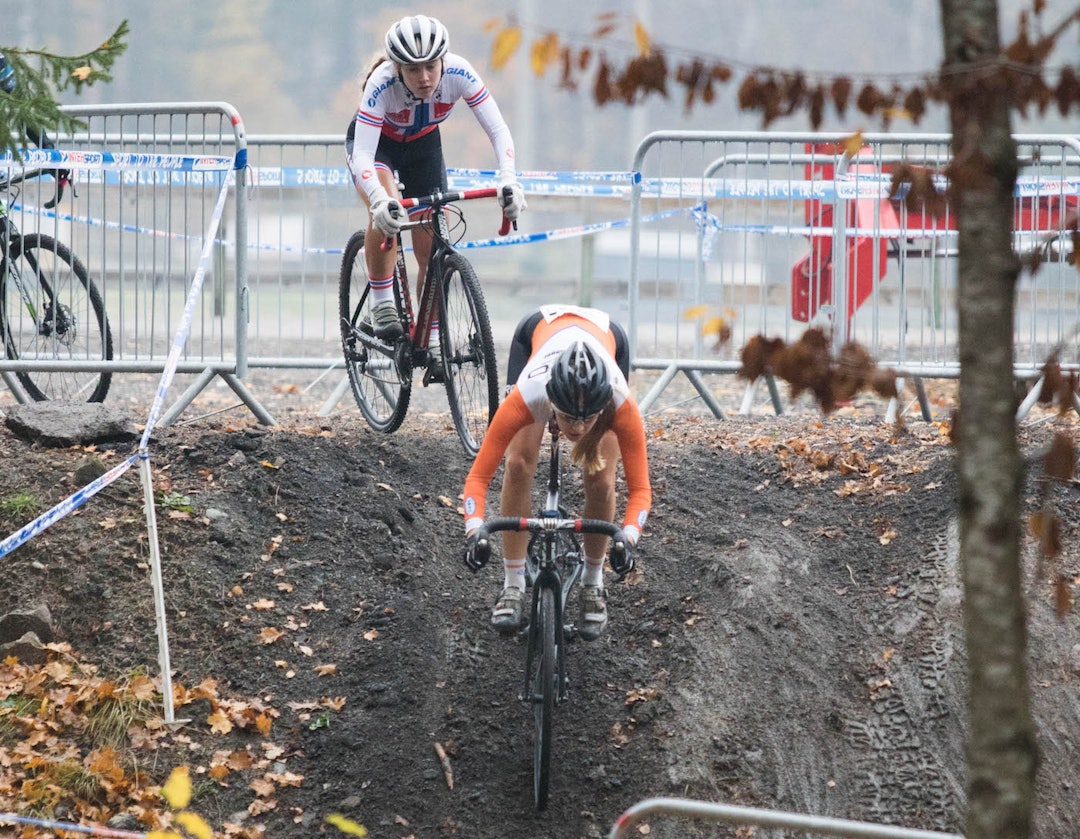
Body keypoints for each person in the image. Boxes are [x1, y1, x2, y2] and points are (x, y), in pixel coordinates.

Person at [461, 305, 652, 641]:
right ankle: (513, 584)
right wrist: (475, 530)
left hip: (609, 339)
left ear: (602, 408)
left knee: (600, 478)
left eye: (587, 420)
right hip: (536, 333)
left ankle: (593, 584)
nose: (577, 429)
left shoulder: (620, 406)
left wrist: (627, 539)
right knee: (519, 463)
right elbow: (478, 480)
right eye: (568, 419)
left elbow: (640, 491)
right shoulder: (528, 396)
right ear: (551, 403)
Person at [345, 14, 526, 365]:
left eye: (431, 66)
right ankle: (382, 304)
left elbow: (498, 130)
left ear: (443, 60)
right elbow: (364, 154)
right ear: (397, 69)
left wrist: (508, 178)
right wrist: (380, 201)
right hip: (377, 148)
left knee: (430, 248)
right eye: (413, 70)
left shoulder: (459, 73)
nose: (424, 78)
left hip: (424, 149)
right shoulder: (381, 84)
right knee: (389, 211)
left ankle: (429, 336)